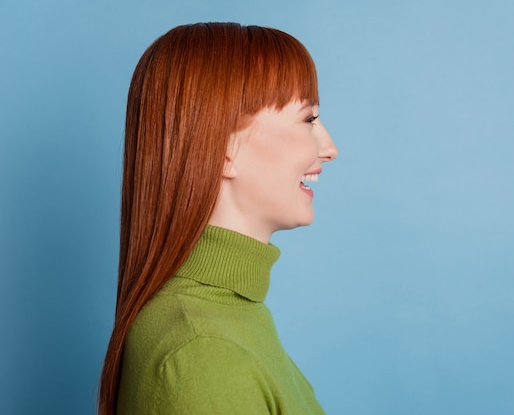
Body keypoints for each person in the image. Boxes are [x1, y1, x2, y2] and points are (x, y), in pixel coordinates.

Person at [98, 22, 338, 414]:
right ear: (224, 147)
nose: (329, 148)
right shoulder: (202, 351)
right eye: (308, 119)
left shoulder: (230, 318)